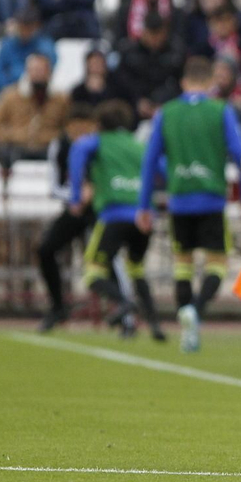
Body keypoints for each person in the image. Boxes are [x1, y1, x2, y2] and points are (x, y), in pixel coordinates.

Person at [137, 57, 241, 354]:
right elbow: (240, 153)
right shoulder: (221, 110)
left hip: (179, 201)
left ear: (183, 82)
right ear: (211, 82)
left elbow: (149, 160)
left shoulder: (166, 113)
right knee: (217, 263)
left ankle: (187, 324)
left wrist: (144, 205)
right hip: (211, 199)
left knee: (183, 265)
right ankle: (197, 311)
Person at [70, 100, 166, 341]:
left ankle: (125, 302)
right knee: (137, 268)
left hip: (113, 214)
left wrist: (76, 196)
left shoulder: (97, 141)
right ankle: (155, 324)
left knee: (93, 273)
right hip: (143, 217)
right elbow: (163, 168)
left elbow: (78, 150)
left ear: (100, 123)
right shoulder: (139, 144)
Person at [35, 104, 99, 331]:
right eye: (76, 128)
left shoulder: (101, 146)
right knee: (45, 249)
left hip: (99, 210)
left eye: (86, 128)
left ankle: (124, 309)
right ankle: (57, 306)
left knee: (105, 256)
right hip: (74, 211)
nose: (81, 133)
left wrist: (94, 193)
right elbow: (54, 187)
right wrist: (76, 196)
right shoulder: (59, 146)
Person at [0, 51, 70, 166]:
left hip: (48, 147)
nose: (37, 74)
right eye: (34, 70)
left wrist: (54, 137)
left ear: (49, 72)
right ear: (27, 71)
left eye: (41, 70)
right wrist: (11, 136)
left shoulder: (60, 99)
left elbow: (69, 125)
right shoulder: (10, 96)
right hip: (17, 147)